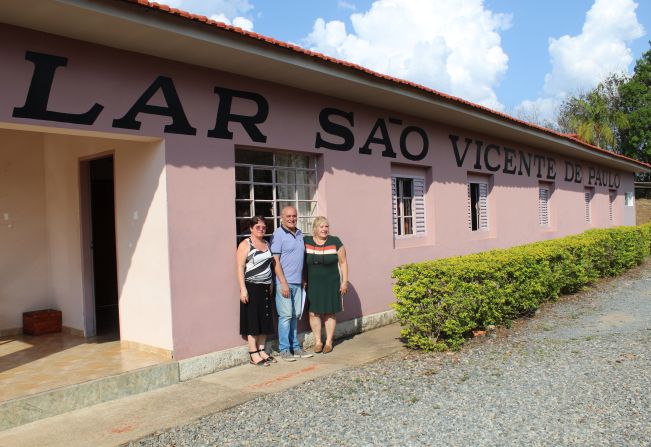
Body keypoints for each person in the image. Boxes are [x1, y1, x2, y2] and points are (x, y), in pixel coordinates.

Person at [271, 206, 313, 361]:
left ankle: (295, 348)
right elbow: (275, 260)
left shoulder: (300, 233)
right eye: (288, 216)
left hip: (297, 283)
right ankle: (284, 349)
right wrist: (283, 283)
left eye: (294, 216)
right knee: (286, 316)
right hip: (284, 283)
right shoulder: (278, 234)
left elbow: (298, 258)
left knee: (295, 316)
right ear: (282, 217)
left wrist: (302, 277)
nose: (291, 218)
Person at [304, 216, 349, 354]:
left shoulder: (335, 241)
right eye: (321, 227)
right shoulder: (306, 241)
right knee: (313, 312)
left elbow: (343, 262)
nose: (324, 229)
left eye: (326, 226)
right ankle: (318, 341)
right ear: (315, 229)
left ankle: (329, 342)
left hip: (331, 283)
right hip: (313, 283)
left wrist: (344, 282)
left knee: (329, 312)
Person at [236, 216, 276, 366]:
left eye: (264, 227)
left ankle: (261, 349)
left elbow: (268, 265)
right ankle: (253, 353)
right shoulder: (245, 244)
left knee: (265, 319)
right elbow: (240, 267)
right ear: (251, 228)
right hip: (251, 287)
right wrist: (243, 289)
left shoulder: (266, 243)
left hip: (266, 287)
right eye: (258, 227)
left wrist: (271, 281)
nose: (261, 229)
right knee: (253, 320)